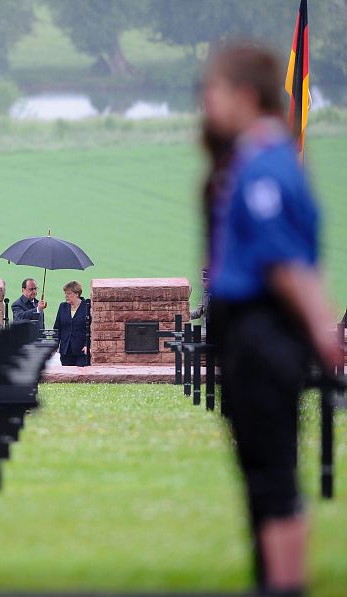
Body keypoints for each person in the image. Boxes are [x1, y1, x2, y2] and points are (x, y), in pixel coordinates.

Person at [203, 43, 340, 596]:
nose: (207, 105)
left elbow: (285, 263)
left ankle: (285, 583)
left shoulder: (263, 166)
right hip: (251, 327)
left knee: (273, 469)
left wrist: (321, 329)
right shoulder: (259, 159)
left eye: (213, 92)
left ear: (243, 95)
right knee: (262, 465)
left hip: (260, 330)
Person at [52, 280, 90, 366]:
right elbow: (57, 328)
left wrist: (88, 345)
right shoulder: (63, 306)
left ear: (77, 294)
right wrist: (55, 344)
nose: (66, 296)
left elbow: (92, 328)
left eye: (69, 293)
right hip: (66, 350)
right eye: (65, 293)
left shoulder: (87, 306)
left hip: (82, 351)